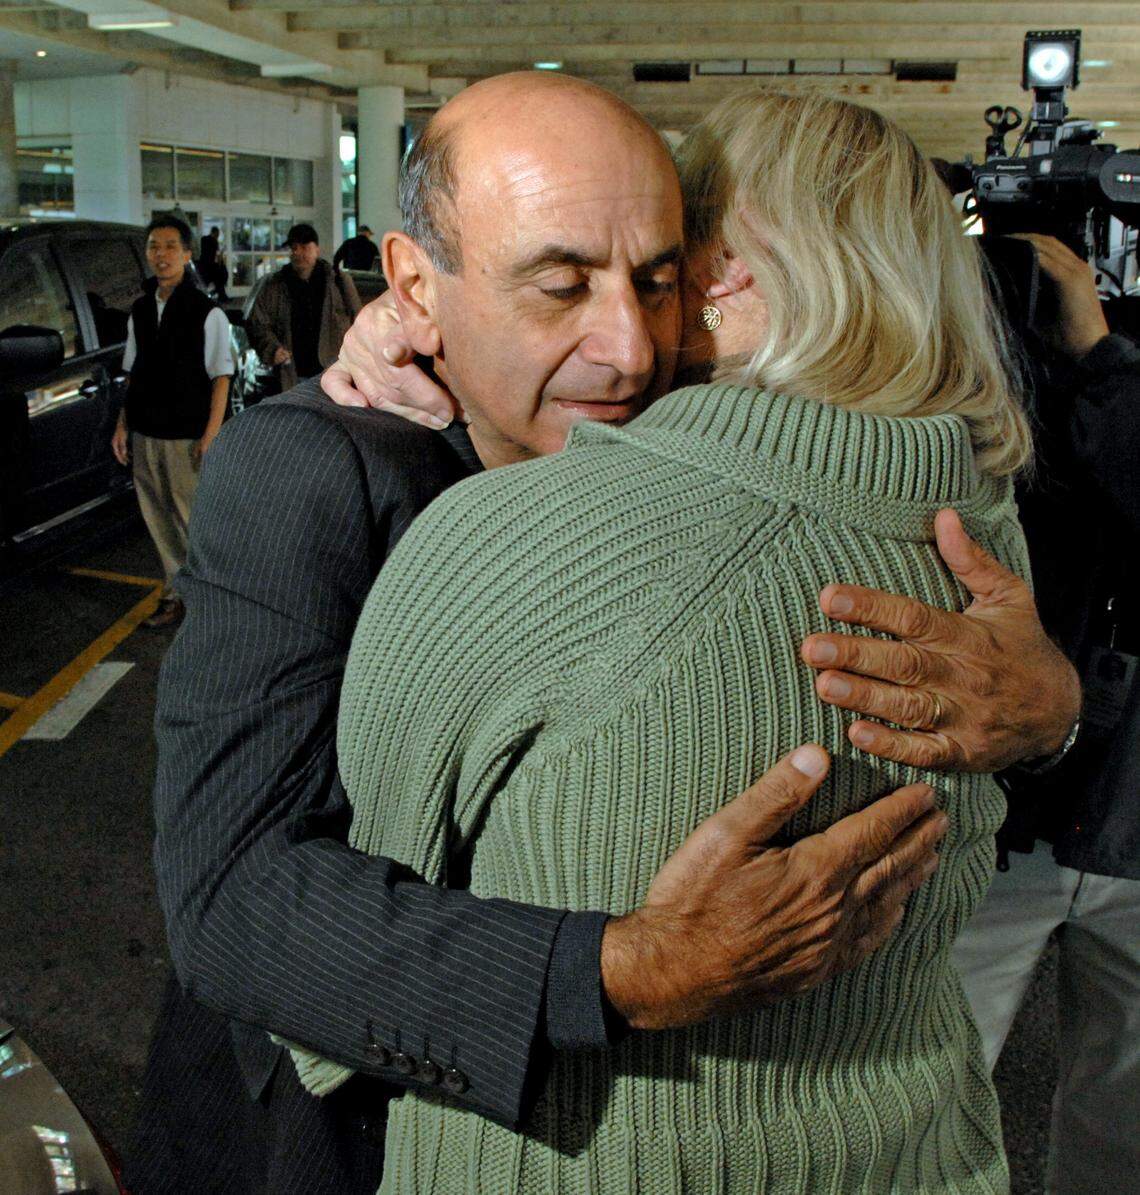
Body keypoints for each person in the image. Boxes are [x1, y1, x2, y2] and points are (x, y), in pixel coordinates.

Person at [133, 74, 1079, 1194]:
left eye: (660, 279)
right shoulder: (312, 469)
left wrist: (1056, 709)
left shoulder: (803, 484)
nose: (630, 348)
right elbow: (231, 898)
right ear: (412, 286)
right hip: (334, 1130)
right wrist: (621, 967)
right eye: (560, 286)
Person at [952, 233, 1140, 1193]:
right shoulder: (970, 382)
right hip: (998, 808)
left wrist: (1101, 353)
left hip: (1125, 815)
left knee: (1125, 1114)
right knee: (925, 1089)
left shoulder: (1115, 379)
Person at [110, 215, 232, 629]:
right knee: (158, 518)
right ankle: (175, 594)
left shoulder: (205, 312)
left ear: (186, 253)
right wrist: (122, 425)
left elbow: (221, 376)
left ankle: (210, 599)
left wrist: (211, 434)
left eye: (168, 246)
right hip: (146, 432)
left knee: (192, 520)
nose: (160, 255)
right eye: (153, 247)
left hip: (187, 436)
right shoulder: (141, 309)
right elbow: (134, 372)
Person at [246, 222, 361, 394]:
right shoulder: (275, 285)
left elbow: (359, 322)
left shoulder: (337, 281)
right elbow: (258, 323)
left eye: (304, 247)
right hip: (293, 376)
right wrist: (273, 349)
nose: (298, 252)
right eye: (294, 248)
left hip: (335, 375)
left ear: (317, 250)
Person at [196, 226, 229, 303]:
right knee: (221, 277)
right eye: (217, 234)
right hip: (210, 266)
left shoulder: (203, 239)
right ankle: (221, 296)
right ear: (215, 233)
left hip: (203, 265)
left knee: (215, 280)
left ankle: (220, 295)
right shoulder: (214, 241)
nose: (217, 236)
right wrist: (221, 262)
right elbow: (216, 255)